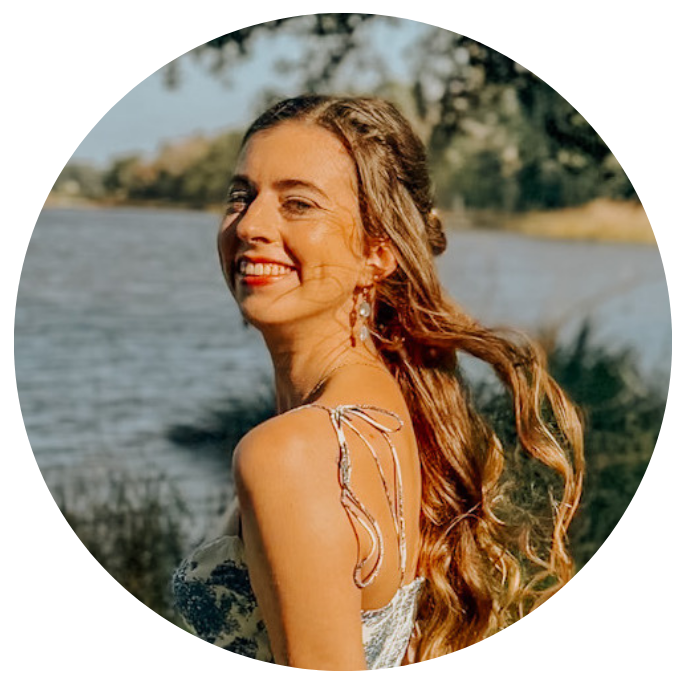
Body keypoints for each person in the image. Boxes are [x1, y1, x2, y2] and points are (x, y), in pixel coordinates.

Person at [171, 95, 585, 670]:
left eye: (298, 203)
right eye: (241, 196)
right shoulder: (391, 404)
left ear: (377, 252)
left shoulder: (290, 454)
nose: (251, 225)